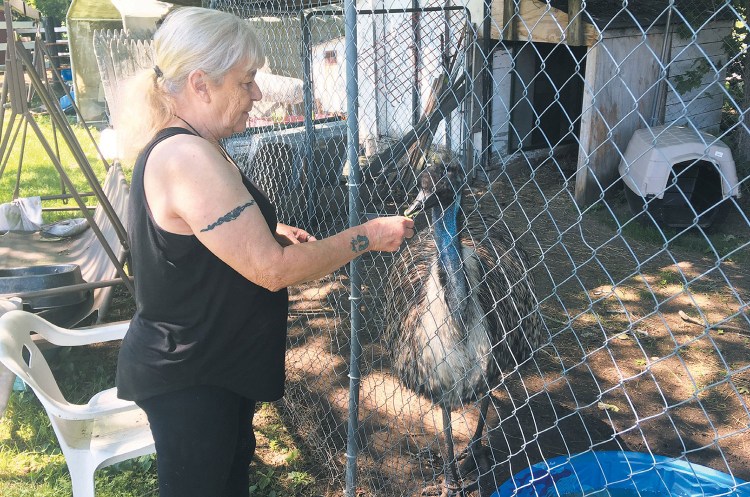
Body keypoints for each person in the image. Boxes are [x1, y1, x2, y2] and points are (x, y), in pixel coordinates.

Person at [114, 7, 414, 497]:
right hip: (191, 378)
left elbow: (203, 232)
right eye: (247, 80)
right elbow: (272, 271)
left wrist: (267, 228)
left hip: (211, 366)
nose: (256, 94)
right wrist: (370, 235)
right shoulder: (187, 157)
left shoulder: (193, 143)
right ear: (201, 83)